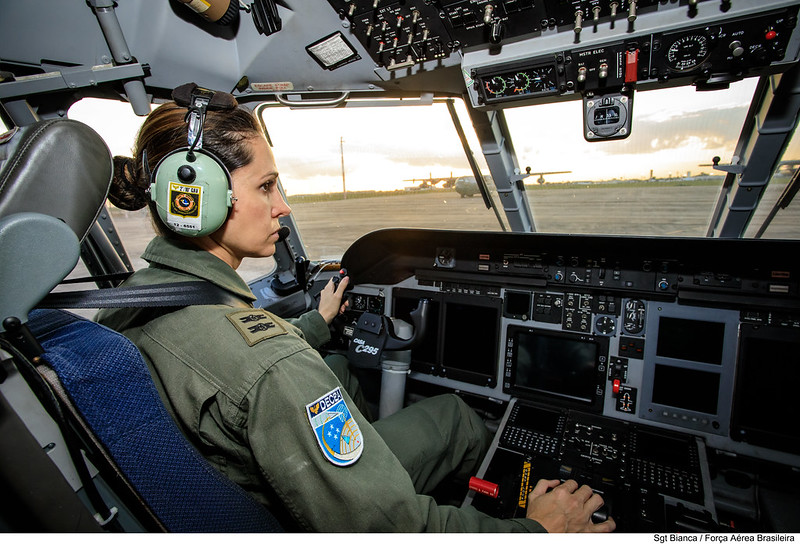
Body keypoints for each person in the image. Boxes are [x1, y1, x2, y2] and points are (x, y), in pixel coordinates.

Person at [96, 85, 616, 533]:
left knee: (340, 367)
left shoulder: (126, 306)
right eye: (266, 185)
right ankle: (494, 501)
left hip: (227, 498)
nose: (284, 207)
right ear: (200, 195)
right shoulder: (269, 363)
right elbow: (396, 528)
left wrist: (317, 324)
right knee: (456, 416)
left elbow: (236, 364)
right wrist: (538, 528)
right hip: (301, 514)